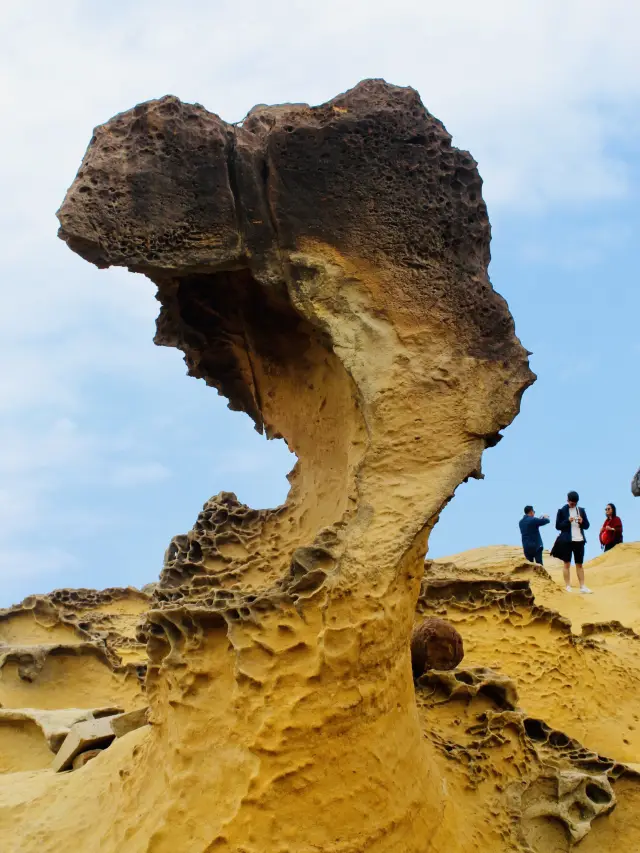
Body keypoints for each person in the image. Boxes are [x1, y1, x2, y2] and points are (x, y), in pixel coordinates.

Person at [551, 490, 591, 593]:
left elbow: (587, 526)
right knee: (566, 564)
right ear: (567, 500)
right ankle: (568, 586)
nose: (572, 504)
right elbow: (557, 526)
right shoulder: (562, 511)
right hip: (567, 541)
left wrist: (582, 522)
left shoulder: (581, 510)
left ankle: (582, 586)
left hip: (579, 540)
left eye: (574, 502)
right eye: (571, 502)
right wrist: (567, 521)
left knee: (579, 564)